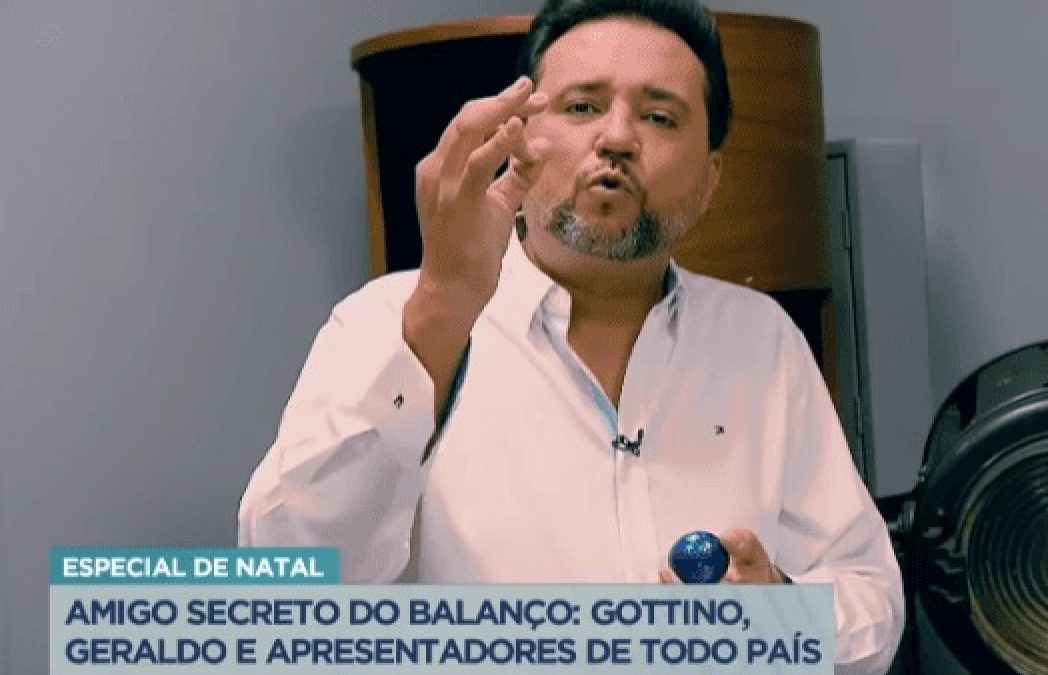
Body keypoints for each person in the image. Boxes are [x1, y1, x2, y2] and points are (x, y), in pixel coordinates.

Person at [239, 0, 904, 671]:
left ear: (710, 179)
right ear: (521, 139)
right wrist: (442, 307)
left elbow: (871, 599)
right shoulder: (387, 320)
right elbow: (291, 592)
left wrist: (779, 612)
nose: (617, 138)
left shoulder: (761, 339)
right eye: (582, 107)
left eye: (659, 117)